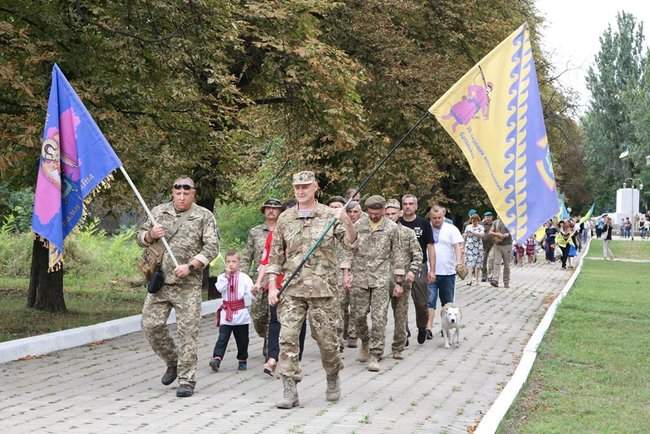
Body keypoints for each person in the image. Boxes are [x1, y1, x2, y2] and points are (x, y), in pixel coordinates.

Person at [267, 171, 357, 408]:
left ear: (315, 187)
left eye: (306, 186)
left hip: (324, 290)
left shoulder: (330, 215)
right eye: (297, 186)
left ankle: (332, 375)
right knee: (287, 339)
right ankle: (289, 390)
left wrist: (346, 219)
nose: (301, 190)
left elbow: (350, 242)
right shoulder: (285, 219)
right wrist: (272, 287)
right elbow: (275, 256)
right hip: (292, 290)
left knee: (327, 342)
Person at [138, 176, 219, 398]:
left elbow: (213, 247)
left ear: (194, 193)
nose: (182, 196)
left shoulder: (203, 216)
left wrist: (191, 266)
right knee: (151, 325)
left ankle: (187, 379)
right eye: (178, 192)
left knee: (188, 334)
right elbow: (139, 236)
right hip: (161, 282)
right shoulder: (159, 212)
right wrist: (149, 235)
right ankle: (172, 361)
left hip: (188, 285)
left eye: (187, 192)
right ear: (172, 192)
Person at [254, 200, 307, 376]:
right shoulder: (275, 234)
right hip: (278, 284)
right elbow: (266, 261)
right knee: (275, 321)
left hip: (300, 285)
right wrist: (260, 282)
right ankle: (272, 358)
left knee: (298, 323)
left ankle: (294, 358)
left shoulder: (308, 234)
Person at [350, 195, 402, 372]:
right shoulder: (358, 226)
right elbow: (348, 247)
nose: (373, 216)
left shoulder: (392, 228)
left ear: (383, 210)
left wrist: (398, 281)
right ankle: (364, 340)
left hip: (381, 277)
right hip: (360, 276)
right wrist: (346, 272)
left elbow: (398, 255)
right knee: (358, 315)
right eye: (370, 213)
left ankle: (375, 353)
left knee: (379, 318)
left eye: (377, 212)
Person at [241, 198, 283, 349]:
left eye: (274, 208)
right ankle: (264, 334)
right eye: (268, 208)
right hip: (259, 278)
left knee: (275, 314)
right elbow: (247, 255)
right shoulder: (255, 231)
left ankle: (270, 342)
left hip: (279, 278)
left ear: (280, 211)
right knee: (258, 315)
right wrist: (242, 277)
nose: (271, 210)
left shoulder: (284, 229)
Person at [384, 199, 422, 358]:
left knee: (400, 315)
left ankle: (398, 347)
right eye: (387, 214)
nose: (390, 216)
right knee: (378, 316)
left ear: (400, 213)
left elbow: (418, 255)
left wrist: (412, 271)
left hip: (402, 280)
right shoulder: (379, 233)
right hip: (381, 280)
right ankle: (375, 347)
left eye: (393, 213)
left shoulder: (408, 233)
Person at [399, 194, 436, 344]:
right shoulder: (397, 222)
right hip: (400, 266)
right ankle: (403, 332)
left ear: (416, 206)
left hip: (420, 266)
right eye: (405, 204)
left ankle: (422, 327)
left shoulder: (423, 223)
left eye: (410, 204)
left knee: (421, 303)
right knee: (401, 302)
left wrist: (432, 270)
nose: (407, 206)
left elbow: (430, 246)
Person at [210, 251, 253, 372]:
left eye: (234, 261)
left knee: (243, 340)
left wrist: (255, 291)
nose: (231, 264)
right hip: (226, 314)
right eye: (228, 261)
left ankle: (242, 359)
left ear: (239, 263)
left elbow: (251, 293)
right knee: (222, 338)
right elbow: (219, 288)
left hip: (240, 314)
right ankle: (217, 359)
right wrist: (226, 277)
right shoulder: (221, 277)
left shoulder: (244, 278)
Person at [427, 205, 464, 335]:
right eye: (434, 218)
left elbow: (457, 246)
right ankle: (429, 328)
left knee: (447, 302)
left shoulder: (451, 229)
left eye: (439, 218)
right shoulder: (427, 228)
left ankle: (446, 327)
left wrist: (459, 262)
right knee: (429, 301)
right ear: (430, 218)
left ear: (443, 217)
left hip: (448, 272)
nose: (437, 220)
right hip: (431, 271)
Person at [327, 196, 353, 352]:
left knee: (339, 309)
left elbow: (348, 251)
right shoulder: (322, 225)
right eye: (332, 206)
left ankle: (338, 342)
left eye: (338, 206)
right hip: (322, 275)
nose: (334, 209)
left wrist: (346, 274)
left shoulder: (345, 228)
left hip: (340, 274)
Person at [343, 200, 363, 347]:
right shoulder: (340, 227)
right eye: (350, 212)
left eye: (355, 211)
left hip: (360, 269)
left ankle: (353, 333)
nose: (352, 214)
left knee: (356, 304)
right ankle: (343, 330)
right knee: (341, 303)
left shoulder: (365, 227)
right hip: (342, 268)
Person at [489, 217, 513, 288]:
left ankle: (506, 282)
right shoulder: (495, 222)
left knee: (507, 265)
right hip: (497, 245)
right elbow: (490, 232)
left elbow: (512, 231)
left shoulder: (510, 221)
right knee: (496, 263)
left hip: (507, 245)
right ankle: (495, 280)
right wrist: (497, 234)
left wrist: (505, 235)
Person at [463, 212, 484, 285]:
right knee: (470, 263)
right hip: (469, 246)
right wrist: (465, 236)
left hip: (478, 247)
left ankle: (477, 280)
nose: (474, 221)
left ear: (478, 220)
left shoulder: (480, 227)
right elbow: (465, 236)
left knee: (478, 264)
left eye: (476, 220)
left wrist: (473, 233)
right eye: (473, 220)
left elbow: (482, 235)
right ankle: (469, 279)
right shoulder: (468, 227)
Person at [481, 211, 495, 282]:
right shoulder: (481, 224)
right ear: (484, 217)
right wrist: (482, 222)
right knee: (483, 261)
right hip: (483, 245)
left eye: (489, 217)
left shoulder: (494, 224)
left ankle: (490, 275)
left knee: (491, 259)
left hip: (493, 245)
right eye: (487, 217)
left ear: (492, 217)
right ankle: (484, 275)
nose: (488, 218)